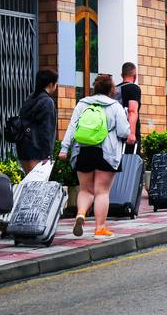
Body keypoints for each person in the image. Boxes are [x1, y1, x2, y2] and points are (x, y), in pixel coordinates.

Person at [60, 74, 130, 238]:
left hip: (83, 151)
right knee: (102, 192)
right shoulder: (115, 106)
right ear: (111, 89)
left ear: (95, 88)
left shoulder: (82, 103)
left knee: (85, 190)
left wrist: (64, 148)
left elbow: (72, 127)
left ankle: (81, 214)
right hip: (106, 153)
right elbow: (123, 131)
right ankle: (100, 227)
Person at [16, 70, 58, 174]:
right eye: (56, 83)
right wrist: (47, 155)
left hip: (23, 149)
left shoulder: (30, 98)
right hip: (37, 151)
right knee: (37, 186)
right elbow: (47, 130)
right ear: (51, 84)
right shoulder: (47, 101)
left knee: (29, 183)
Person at [115, 62, 142, 154]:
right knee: (131, 164)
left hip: (116, 133)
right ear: (135, 75)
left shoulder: (114, 89)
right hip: (128, 133)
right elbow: (132, 111)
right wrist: (131, 134)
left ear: (122, 75)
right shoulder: (134, 88)